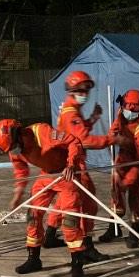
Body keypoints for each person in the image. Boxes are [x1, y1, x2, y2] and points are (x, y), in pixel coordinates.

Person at [0, 119, 106, 277]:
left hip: (66, 175)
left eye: (13, 147)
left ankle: (77, 264)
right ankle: (34, 259)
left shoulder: (43, 133)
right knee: (32, 215)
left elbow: (74, 142)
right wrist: (18, 193)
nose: (13, 152)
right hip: (47, 175)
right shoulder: (14, 148)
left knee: (70, 220)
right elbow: (20, 169)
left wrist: (71, 165)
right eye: (10, 150)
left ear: (20, 135)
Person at [49, 70, 122, 260]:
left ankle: (49, 235)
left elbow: (78, 131)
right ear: (72, 90)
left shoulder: (71, 109)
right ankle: (86, 246)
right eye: (80, 90)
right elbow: (85, 140)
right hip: (73, 163)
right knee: (88, 204)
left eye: (86, 90)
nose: (84, 94)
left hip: (66, 162)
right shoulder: (71, 112)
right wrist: (112, 139)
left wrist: (94, 118)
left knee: (64, 201)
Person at [99, 89, 139, 247]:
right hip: (121, 161)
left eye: (134, 109)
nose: (130, 111)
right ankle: (114, 228)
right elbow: (113, 132)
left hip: (137, 164)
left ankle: (134, 232)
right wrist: (114, 136)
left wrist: (128, 180)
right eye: (128, 107)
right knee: (116, 196)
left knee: (135, 199)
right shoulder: (121, 115)